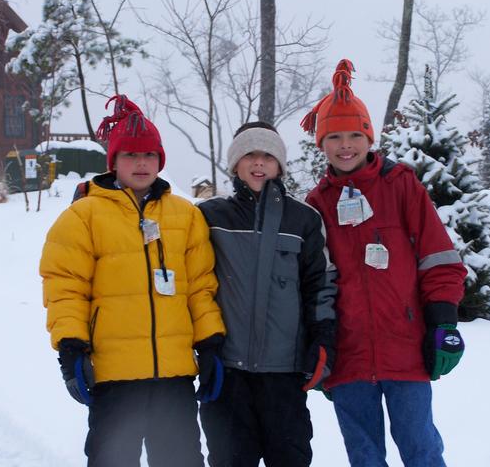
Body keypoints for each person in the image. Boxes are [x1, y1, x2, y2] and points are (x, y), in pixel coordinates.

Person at [39, 95, 226, 467]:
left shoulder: (185, 216)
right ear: (114, 161)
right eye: (131, 155)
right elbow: (66, 287)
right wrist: (71, 348)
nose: (141, 164)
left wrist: (210, 344)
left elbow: (201, 287)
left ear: (160, 160)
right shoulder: (84, 216)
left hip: (173, 377)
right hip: (114, 376)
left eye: (149, 156)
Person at [301, 60, 468, 467]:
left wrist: (443, 321)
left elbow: (440, 257)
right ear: (321, 144)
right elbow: (310, 282)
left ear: (369, 138)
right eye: (334, 137)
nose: (345, 145)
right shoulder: (316, 205)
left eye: (354, 135)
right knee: (364, 455)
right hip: (349, 356)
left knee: (421, 447)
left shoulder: (401, 186)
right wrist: (319, 346)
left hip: (406, 349)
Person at [197, 122, 338, 467]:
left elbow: (321, 286)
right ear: (235, 163)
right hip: (226, 371)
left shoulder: (303, 219)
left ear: (279, 165)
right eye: (250, 154)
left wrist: (323, 342)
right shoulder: (209, 216)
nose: (259, 163)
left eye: (267, 156)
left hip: (284, 374)